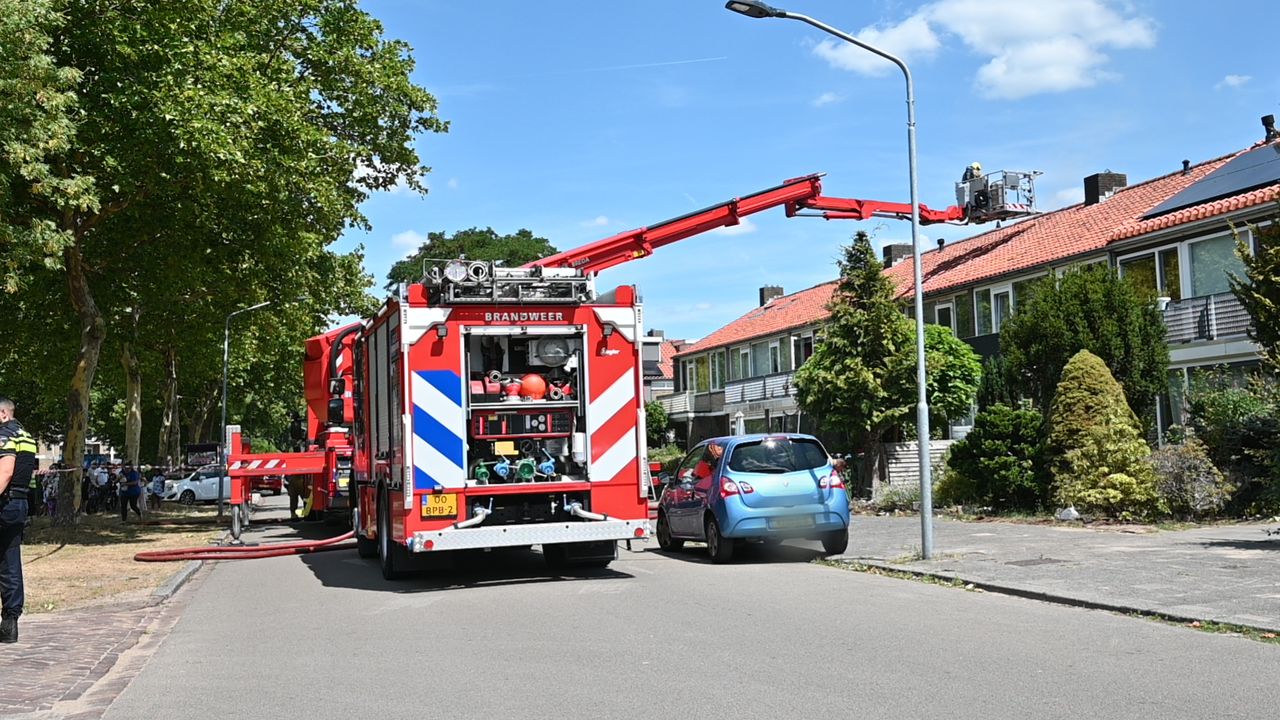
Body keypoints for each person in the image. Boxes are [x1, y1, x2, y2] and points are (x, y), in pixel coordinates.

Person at [0, 396, 37, 643]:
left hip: (3, 503)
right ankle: (10, 623)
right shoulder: (26, 436)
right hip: (19, 503)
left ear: (4, 414)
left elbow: (5, 472)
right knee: (10, 561)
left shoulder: (4, 435)